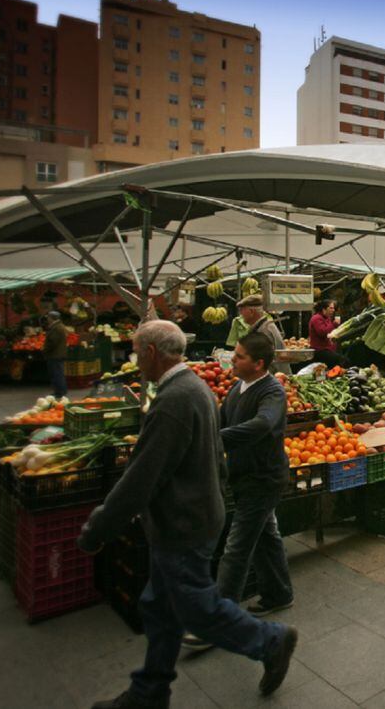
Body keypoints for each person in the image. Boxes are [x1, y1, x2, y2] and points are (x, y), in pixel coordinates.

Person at [78, 321, 298, 708]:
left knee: (199, 607)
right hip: (194, 512)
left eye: (135, 350)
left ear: (150, 353)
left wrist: (98, 528)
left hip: (185, 521)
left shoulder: (177, 399)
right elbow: (212, 450)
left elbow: (141, 477)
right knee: (161, 609)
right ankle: (149, 691)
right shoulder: (196, 388)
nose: (134, 358)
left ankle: (271, 641)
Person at [215, 332, 295, 617]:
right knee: (266, 535)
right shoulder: (239, 388)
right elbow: (220, 420)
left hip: (263, 479)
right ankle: (279, 593)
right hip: (243, 476)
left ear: (258, 363)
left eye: (239, 356)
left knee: (236, 549)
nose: (232, 360)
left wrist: (215, 439)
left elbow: (263, 425)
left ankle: (219, 618)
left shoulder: (272, 392)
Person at [236, 295, 291, 375]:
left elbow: (265, 361)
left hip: (275, 377)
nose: (240, 314)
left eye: (242, 310)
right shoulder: (263, 326)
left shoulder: (264, 330)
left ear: (251, 312)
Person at [308, 299, 347, 369]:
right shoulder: (316, 318)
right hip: (320, 350)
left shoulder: (327, 318)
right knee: (342, 360)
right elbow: (322, 332)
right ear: (324, 309)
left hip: (328, 349)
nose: (333, 310)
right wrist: (334, 324)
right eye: (331, 308)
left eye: (333, 308)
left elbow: (330, 331)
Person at [42, 310, 69, 399]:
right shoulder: (58, 326)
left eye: (48, 317)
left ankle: (59, 392)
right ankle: (60, 391)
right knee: (58, 373)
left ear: (52, 318)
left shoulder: (56, 328)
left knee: (57, 374)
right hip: (57, 354)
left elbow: (53, 342)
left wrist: (45, 349)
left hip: (55, 354)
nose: (47, 319)